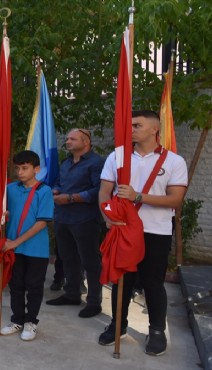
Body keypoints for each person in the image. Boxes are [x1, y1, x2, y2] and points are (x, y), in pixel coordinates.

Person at [97, 110, 187, 356]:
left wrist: (138, 196)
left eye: (137, 125)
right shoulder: (118, 156)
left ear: (154, 129)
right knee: (121, 280)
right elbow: (105, 192)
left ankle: (156, 331)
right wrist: (107, 217)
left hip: (155, 232)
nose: (132, 129)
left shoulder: (174, 161)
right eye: (130, 125)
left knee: (152, 283)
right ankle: (118, 324)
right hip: (123, 230)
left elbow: (175, 200)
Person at [46, 128, 105, 318]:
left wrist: (71, 198)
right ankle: (72, 294)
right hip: (63, 217)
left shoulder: (97, 163)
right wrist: (56, 190)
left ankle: (94, 302)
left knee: (90, 261)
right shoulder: (66, 162)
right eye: (68, 138)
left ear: (85, 142)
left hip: (85, 219)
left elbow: (100, 191)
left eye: (72, 139)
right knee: (67, 257)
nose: (68, 141)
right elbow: (58, 182)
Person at [0, 150, 54, 341]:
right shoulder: (11, 189)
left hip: (36, 249)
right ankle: (17, 320)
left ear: (36, 169)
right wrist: (4, 216)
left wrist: (15, 241)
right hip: (14, 248)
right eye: (17, 168)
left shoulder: (44, 191)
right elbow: (4, 211)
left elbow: (41, 222)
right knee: (16, 285)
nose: (20, 172)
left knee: (34, 286)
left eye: (25, 168)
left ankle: (31, 322)